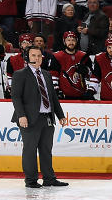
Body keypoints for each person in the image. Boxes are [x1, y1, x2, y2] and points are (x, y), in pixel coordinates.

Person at [12, 46, 69, 188]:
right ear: (27, 57)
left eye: (38, 56)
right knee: (30, 150)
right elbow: (16, 97)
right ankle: (31, 180)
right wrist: (21, 116)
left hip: (47, 118)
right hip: (29, 119)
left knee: (46, 150)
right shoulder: (20, 74)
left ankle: (49, 178)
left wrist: (60, 115)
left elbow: (53, 97)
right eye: (33, 55)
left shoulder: (46, 74)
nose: (36, 58)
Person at [53, 31, 93, 99]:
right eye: (68, 40)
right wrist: (57, 91)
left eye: (73, 40)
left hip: (82, 97)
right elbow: (53, 76)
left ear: (76, 41)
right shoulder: (57, 56)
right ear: (64, 41)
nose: (71, 42)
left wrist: (86, 70)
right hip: (64, 97)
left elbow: (91, 76)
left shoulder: (83, 56)